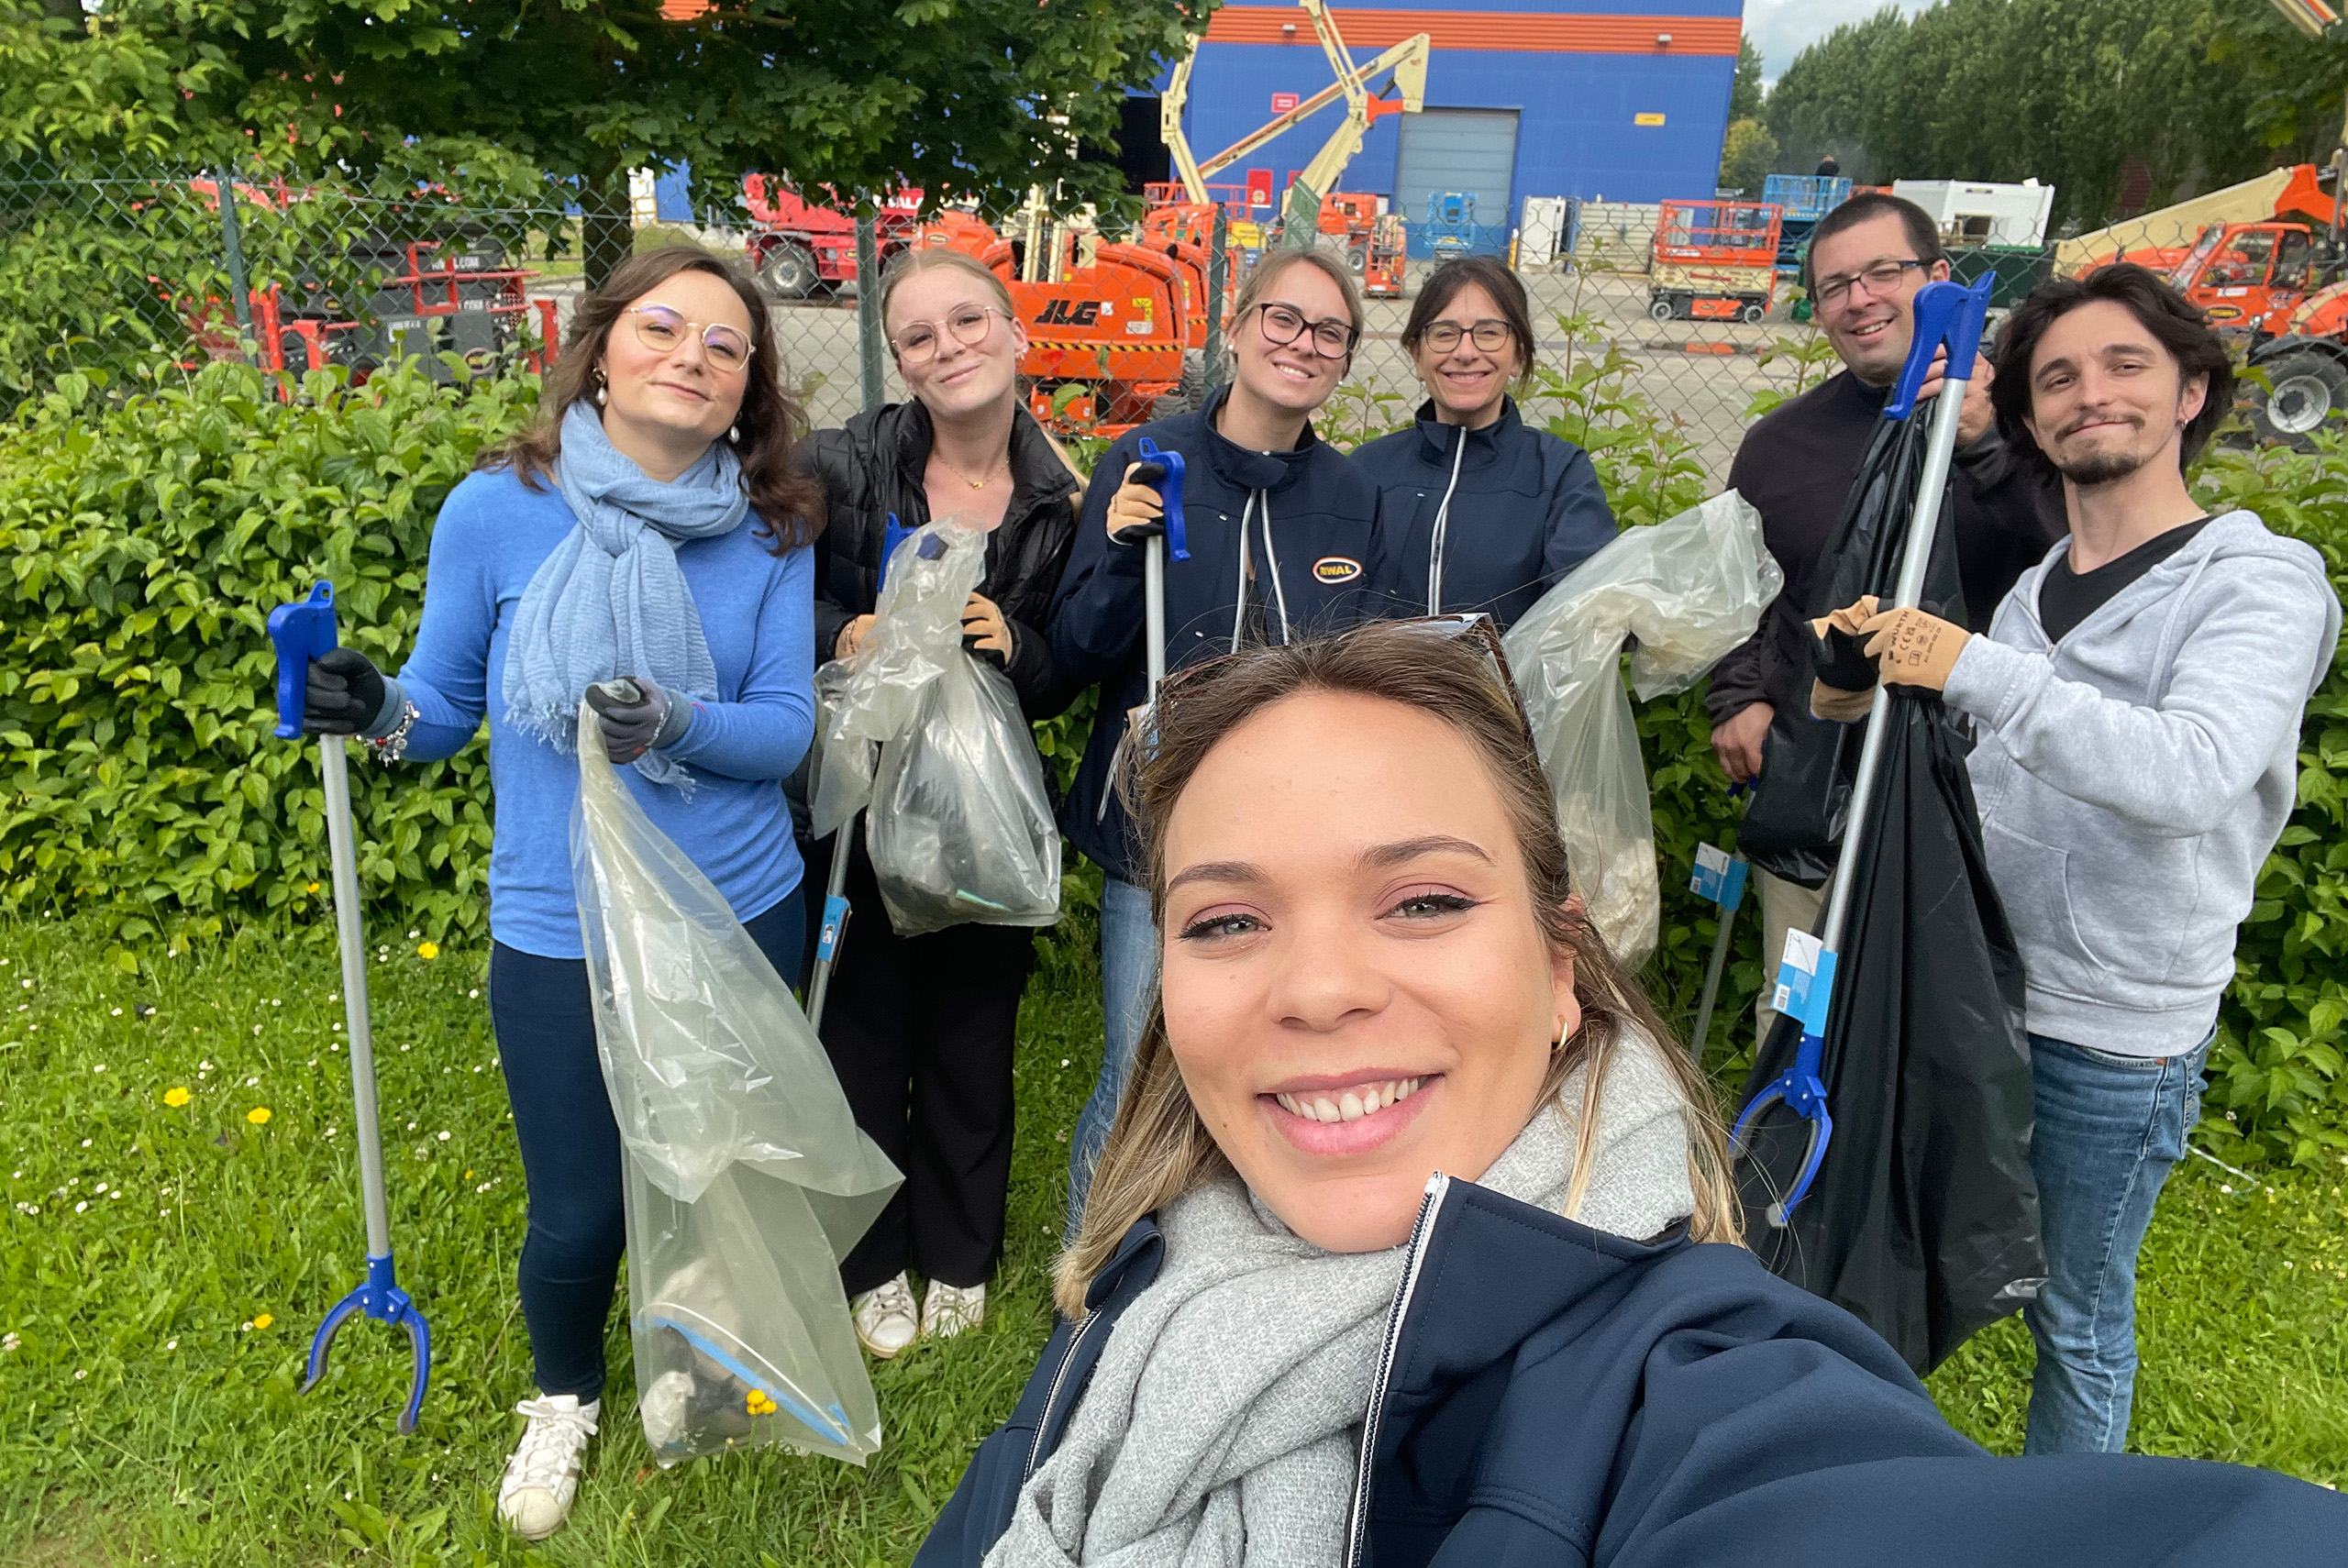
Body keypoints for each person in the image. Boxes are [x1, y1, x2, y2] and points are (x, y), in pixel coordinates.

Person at [913, 620, 2347, 1568]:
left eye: (1424, 898)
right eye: (1228, 918)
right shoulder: (1147, 1282)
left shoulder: (1692, 1389)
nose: (1320, 988)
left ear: (1561, 972)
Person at [296, 246, 823, 1540]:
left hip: (735, 901)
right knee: (579, 1206)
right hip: (559, 916)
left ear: (748, 389)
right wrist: (375, 707)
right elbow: (441, 706)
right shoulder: (493, 511)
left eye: (726, 346)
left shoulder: (772, 528)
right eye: (664, 328)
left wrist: (678, 720)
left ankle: (694, 1354)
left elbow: (784, 729)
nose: (693, 357)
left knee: (712, 1170)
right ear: (599, 352)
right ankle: (565, 1395)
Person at [1813, 265, 2341, 1455]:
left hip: (2112, 1031)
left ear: (2191, 392)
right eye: (2057, 378)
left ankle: (2068, 1521)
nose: (2089, 393)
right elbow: (1991, 758)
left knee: (2075, 1314)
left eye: (2124, 365)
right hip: (1982, 992)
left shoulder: (2257, 584)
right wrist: (1868, 690)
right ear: (2031, 416)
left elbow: (2190, 772)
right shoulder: (2040, 590)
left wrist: (1967, 667)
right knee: (1931, 1253)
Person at [1050, 246, 1386, 1238]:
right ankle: (1094, 1265)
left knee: (1267, 1057)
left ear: (1345, 360)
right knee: (1140, 1059)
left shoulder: (1352, 496)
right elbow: (1076, 650)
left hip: (1294, 843)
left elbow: (1368, 667)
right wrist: (1120, 551)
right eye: (1283, 318)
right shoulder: (1147, 459)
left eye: (1329, 332)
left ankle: (1240, 1249)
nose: (1302, 344)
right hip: (1152, 834)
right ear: (1235, 327)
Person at [800, 247, 1084, 1359]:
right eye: (918, 335)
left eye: (968, 321)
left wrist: (1017, 642)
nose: (948, 347)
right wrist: (843, 631)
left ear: (1016, 333)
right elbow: (764, 594)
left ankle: (959, 1254)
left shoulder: (1062, 502)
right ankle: (873, 1261)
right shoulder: (842, 466)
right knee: (862, 1040)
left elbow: (1070, 671)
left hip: (981, 817)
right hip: (861, 806)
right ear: (899, 362)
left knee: (973, 1039)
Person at [1708, 192, 2065, 1043]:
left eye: (1882, 273)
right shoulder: (1780, 446)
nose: (1859, 299)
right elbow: (1739, 592)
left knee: (1936, 1018)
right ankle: (1787, 1116)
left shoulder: (2032, 428)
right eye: (1835, 286)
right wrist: (1739, 696)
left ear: (1937, 277)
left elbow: (2073, 561)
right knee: (1798, 997)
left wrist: (1986, 447)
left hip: (1972, 784)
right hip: (1815, 772)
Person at [1351, 255, 1616, 626]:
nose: (1465, 352)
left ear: (1518, 355)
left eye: (1489, 332)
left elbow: (1581, 619)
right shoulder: (1366, 470)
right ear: (1416, 356)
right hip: (1375, 668)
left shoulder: (1560, 475)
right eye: (1444, 333)